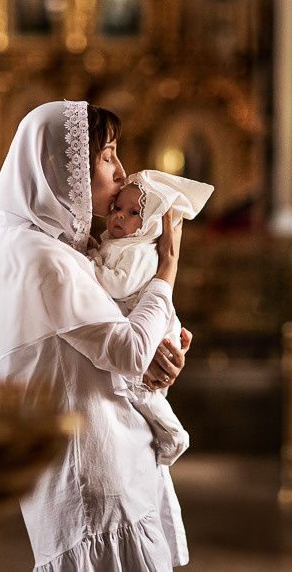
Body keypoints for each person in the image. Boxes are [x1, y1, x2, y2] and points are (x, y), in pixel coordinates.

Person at [0, 100, 191, 571]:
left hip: (98, 470)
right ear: (62, 170)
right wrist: (167, 269)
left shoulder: (29, 246)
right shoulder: (42, 257)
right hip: (96, 482)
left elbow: (95, 359)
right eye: (106, 156)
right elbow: (126, 351)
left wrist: (159, 359)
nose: (121, 171)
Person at [88, 170, 213, 466]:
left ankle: (174, 434)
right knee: (140, 390)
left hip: (155, 328)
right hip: (140, 322)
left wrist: (90, 262)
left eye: (133, 213)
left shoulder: (141, 252)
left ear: (151, 224)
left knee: (144, 392)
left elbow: (117, 284)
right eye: (118, 209)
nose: (119, 216)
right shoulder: (120, 243)